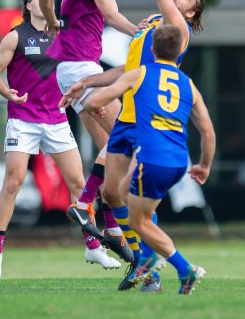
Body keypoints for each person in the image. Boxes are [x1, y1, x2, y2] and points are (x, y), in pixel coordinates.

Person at [60, 0, 205, 291]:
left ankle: (150, 264)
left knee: (133, 199)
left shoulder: (177, 27)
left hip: (143, 117)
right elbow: (128, 70)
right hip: (126, 111)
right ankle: (142, 259)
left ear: (191, 15)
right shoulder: (154, 27)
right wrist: (89, 82)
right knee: (113, 191)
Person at [0, 0, 120, 280]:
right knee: (13, 183)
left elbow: (77, 72)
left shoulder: (63, 35)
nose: (45, 0)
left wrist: (90, 99)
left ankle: (93, 246)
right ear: (29, 4)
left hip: (57, 119)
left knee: (79, 183)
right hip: (23, 119)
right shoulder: (15, 36)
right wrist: (7, 92)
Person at [38, 0, 144, 264]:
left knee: (109, 149)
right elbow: (111, 14)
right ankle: (85, 204)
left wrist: (52, 22)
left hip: (70, 71)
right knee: (127, 139)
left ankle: (110, 228)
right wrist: (138, 32)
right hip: (83, 69)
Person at [84, 24, 216, 294]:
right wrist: (204, 165)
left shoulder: (141, 73)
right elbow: (208, 132)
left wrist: (93, 106)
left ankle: (182, 268)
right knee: (118, 191)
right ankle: (149, 260)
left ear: (152, 49)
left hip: (153, 161)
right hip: (179, 161)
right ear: (179, 50)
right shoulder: (187, 82)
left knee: (137, 221)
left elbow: (97, 100)